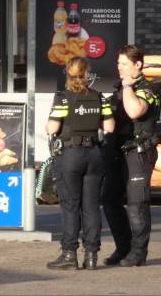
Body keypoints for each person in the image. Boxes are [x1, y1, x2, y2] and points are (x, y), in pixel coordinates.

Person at [46, 57, 114, 270]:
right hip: (94, 154)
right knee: (91, 206)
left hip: (71, 155)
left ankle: (69, 254)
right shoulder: (99, 97)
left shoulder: (63, 98)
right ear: (87, 75)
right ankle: (92, 256)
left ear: (68, 73)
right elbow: (109, 126)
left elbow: (51, 129)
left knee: (71, 206)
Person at [101, 44, 160, 267]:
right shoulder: (118, 89)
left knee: (137, 204)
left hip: (139, 152)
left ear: (138, 65)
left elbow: (135, 111)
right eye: (118, 63)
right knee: (109, 200)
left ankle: (138, 253)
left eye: (124, 64)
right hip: (117, 152)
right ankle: (123, 247)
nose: (119, 68)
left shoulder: (149, 88)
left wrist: (127, 88)